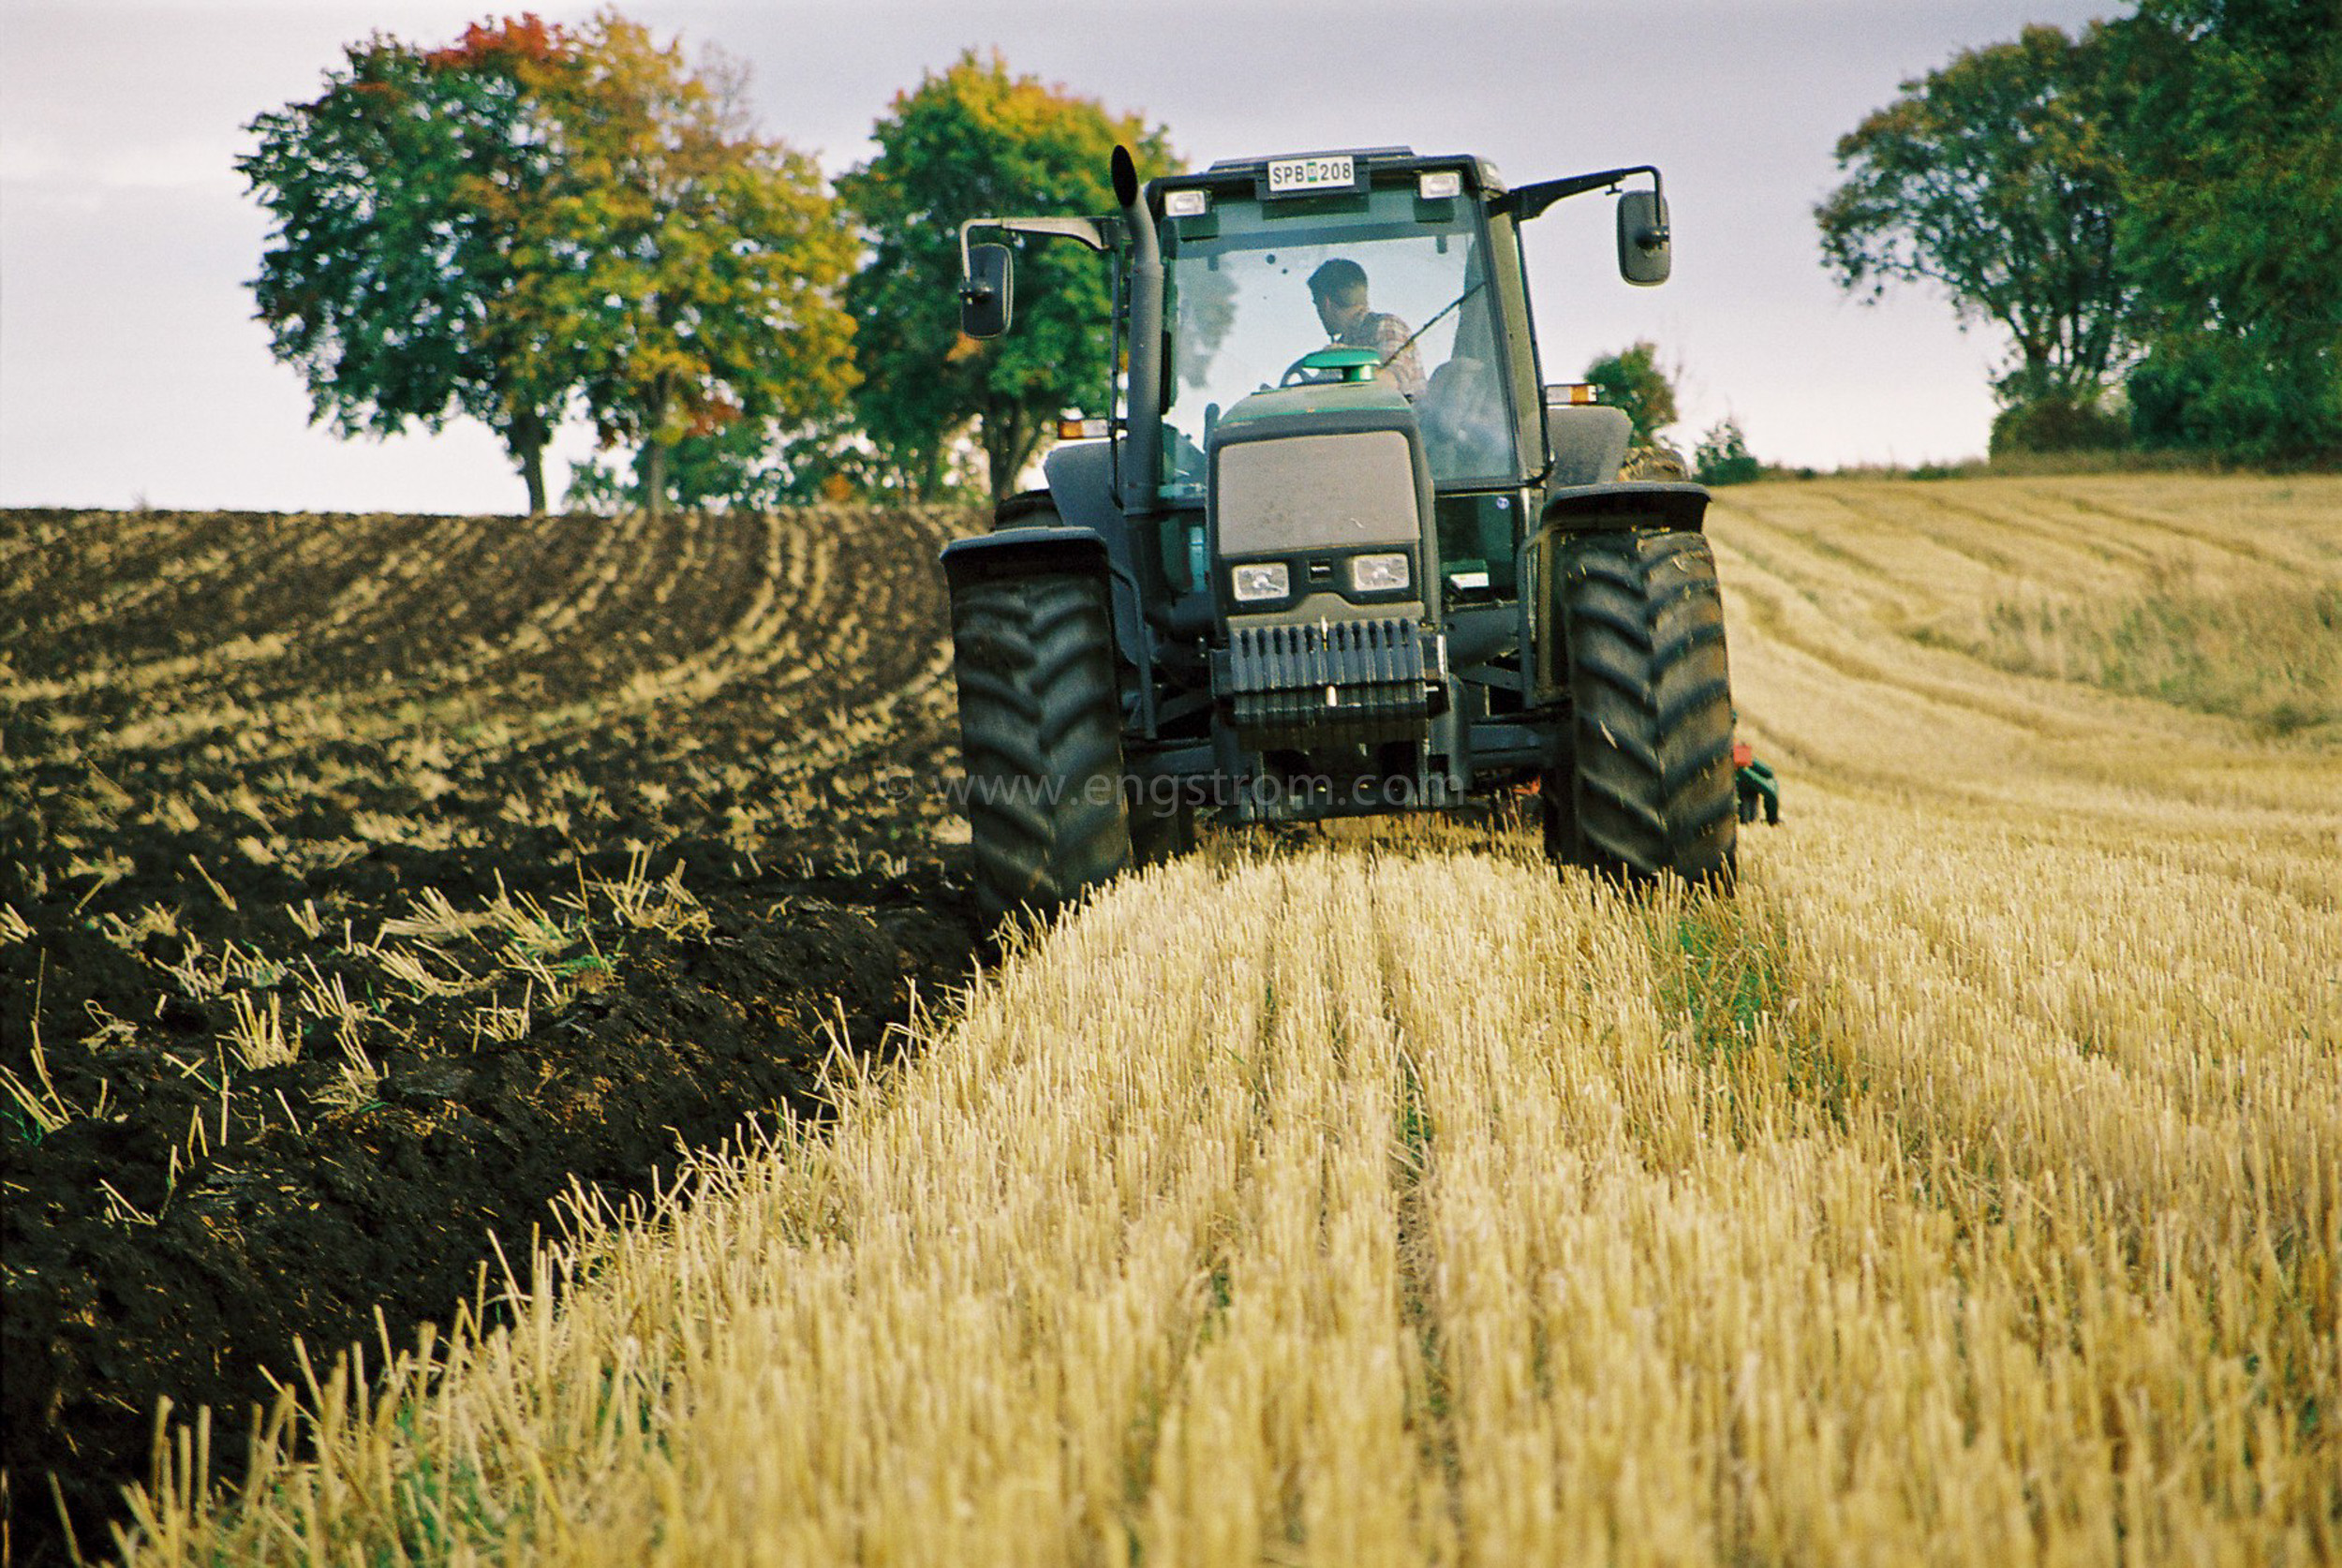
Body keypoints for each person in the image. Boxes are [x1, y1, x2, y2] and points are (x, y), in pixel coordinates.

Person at [1307, 258, 1426, 397]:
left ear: (1325, 303)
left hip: (1397, 418)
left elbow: (1390, 384)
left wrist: (1344, 363)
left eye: (1316, 304)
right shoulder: (1345, 343)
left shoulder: (1386, 325)